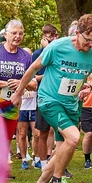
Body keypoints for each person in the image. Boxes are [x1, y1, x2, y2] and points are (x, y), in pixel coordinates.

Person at [12, 14, 92, 183]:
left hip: (71, 103)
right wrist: (19, 92)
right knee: (74, 137)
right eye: (88, 39)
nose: (90, 44)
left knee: (62, 149)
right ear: (77, 33)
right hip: (49, 100)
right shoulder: (57, 47)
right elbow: (33, 68)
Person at [0, 20, 35, 183]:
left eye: (20, 33)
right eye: (14, 33)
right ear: (6, 34)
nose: (17, 36)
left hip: (13, 106)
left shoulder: (25, 56)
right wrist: (9, 84)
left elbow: (33, 83)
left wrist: (21, 84)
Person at [32, 24, 59, 172]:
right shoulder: (37, 54)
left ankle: (59, 164)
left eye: (54, 35)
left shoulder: (60, 52)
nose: (53, 38)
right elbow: (34, 76)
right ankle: (43, 165)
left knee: (60, 133)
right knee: (42, 132)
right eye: (49, 36)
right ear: (44, 37)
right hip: (43, 96)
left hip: (59, 97)